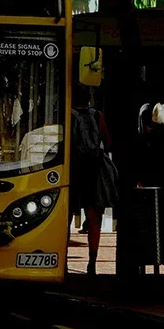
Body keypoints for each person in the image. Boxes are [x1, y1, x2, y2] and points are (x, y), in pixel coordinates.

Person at [70, 86, 115, 277]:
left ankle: (61, 259)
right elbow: (107, 140)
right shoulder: (98, 115)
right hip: (94, 170)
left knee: (66, 216)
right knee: (94, 219)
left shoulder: (68, 115)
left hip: (73, 168)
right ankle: (92, 262)